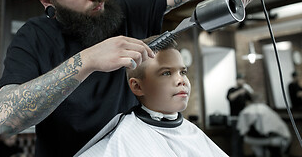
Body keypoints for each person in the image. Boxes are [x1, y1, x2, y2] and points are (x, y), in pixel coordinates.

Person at [0, 0, 260, 156]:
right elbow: (6, 120)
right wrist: (86, 61)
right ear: (46, 0)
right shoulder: (34, 37)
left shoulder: (127, 10)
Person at [75, 36, 228, 156]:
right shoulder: (124, 137)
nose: (181, 80)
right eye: (166, 73)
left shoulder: (191, 131)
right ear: (138, 86)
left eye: (183, 72)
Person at [227, 73, 254, 157]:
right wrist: (239, 92)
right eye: (240, 79)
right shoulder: (232, 90)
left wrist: (249, 90)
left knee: (242, 140)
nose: (242, 81)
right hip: (235, 118)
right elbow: (230, 97)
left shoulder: (245, 91)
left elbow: (252, 100)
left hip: (243, 118)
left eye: (243, 79)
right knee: (236, 140)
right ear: (237, 80)